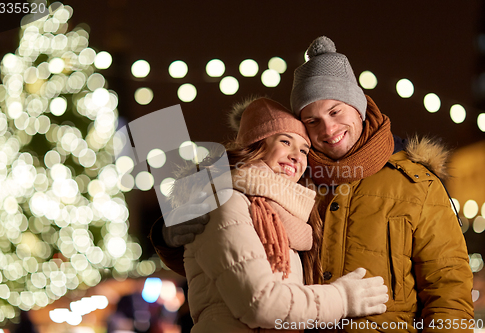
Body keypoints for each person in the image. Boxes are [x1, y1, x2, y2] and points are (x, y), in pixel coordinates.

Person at [151, 36, 474, 332]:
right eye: (312, 120)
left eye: (335, 111)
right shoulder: (288, 182)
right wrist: (171, 231)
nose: (328, 128)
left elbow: (449, 288)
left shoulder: (416, 183)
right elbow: (226, 261)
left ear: (359, 107)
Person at [165, 97, 388, 332]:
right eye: (285, 141)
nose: (297, 156)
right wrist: (342, 298)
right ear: (256, 144)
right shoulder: (225, 199)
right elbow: (259, 305)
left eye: (304, 150)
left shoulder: (283, 213)